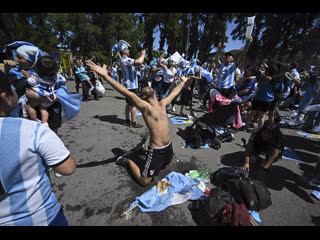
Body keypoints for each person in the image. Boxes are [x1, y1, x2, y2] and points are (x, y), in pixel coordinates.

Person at [85, 59, 188, 186]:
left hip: (168, 147)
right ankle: (127, 160)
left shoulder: (162, 103)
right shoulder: (145, 107)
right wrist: (105, 76)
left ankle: (142, 151)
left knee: (165, 164)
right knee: (145, 181)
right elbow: (125, 91)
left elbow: (174, 92)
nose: (146, 86)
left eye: (147, 86)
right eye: (144, 88)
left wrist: (183, 82)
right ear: (143, 96)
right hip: (156, 151)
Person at [0, 70, 77, 226]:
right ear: (5, 97)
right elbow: (68, 168)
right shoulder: (32, 130)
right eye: (12, 87)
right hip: (41, 217)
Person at [25, 56, 66, 125]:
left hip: (40, 94)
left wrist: (27, 76)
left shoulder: (36, 76)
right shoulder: (57, 76)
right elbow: (63, 81)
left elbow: (31, 82)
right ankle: (44, 122)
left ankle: (34, 120)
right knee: (44, 109)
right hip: (51, 94)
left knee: (30, 106)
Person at [114, 40, 146, 128]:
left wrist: (139, 59)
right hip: (131, 86)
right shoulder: (125, 60)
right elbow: (138, 62)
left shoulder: (124, 60)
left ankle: (127, 120)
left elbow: (136, 66)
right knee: (134, 104)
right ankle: (133, 122)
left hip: (130, 85)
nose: (129, 50)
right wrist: (143, 55)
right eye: (127, 49)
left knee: (128, 103)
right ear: (123, 50)